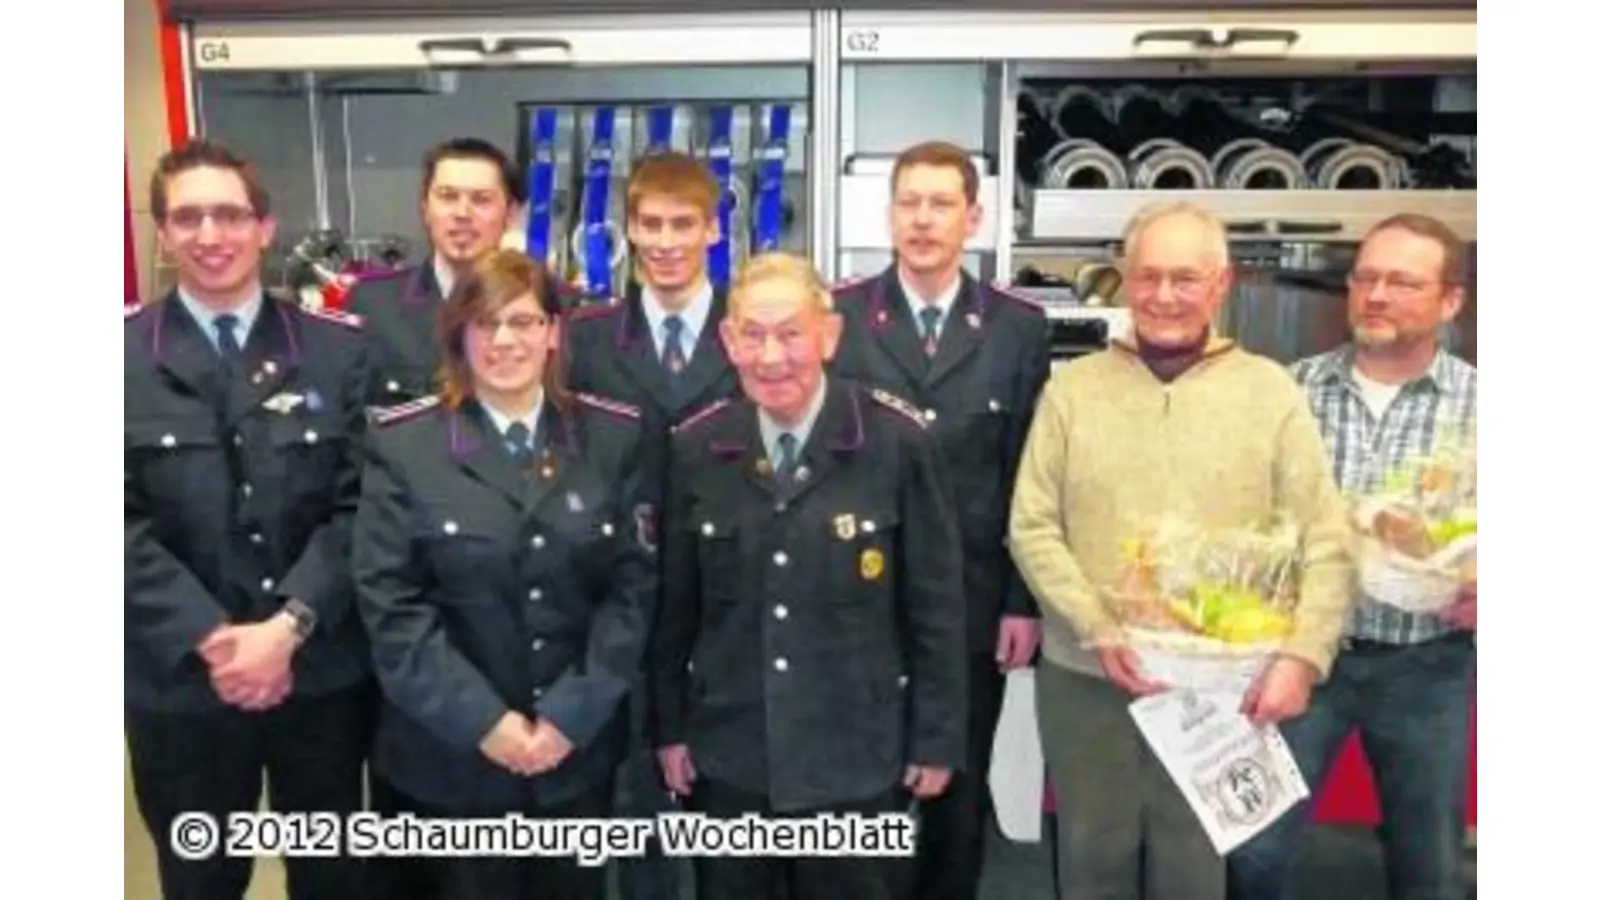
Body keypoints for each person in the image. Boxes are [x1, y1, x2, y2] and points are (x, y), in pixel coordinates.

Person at [1006, 201, 1355, 900]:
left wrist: (1302, 656)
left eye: (1185, 278)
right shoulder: (1073, 392)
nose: (1164, 296)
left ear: (1220, 284)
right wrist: (1096, 626)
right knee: (1089, 857)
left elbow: (1328, 537)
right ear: (1125, 280)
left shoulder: (1269, 393)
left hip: (1220, 692)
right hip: (1085, 679)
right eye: (1149, 276)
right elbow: (1031, 525)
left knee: (1194, 866)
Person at [652, 252, 968, 900]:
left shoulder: (899, 443)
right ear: (728, 341)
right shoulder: (695, 448)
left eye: (791, 333)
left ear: (828, 335)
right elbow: (674, 608)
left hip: (856, 753)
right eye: (753, 335)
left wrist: (936, 739)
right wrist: (670, 730)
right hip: (732, 750)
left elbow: (935, 607)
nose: (772, 357)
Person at [351, 248, 657, 900]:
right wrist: (488, 724)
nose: (506, 341)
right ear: (459, 335)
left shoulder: (613, 439)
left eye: (523, 322)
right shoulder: (405, 445)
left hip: (573, 757)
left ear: (553, 333)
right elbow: (392, 605)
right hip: (451, 759)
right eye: (485, 324)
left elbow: (633, 594)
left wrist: (569, 718)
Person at [124, 138, 373, 900]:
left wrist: (286, 628)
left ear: (265, 229)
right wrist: (218, 640)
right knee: (200, 879)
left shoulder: (337, 354)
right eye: (188, 217)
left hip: (319, 672)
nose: (210, 235)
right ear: (163, 234)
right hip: (182, 683)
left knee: (331, 878)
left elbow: (364, 505)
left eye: (230, 214)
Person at [1227, 214, 1477, 900]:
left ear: (1449, 301)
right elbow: (1245, 515)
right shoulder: (1288, 390)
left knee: (1427, 861)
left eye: (1403, 281)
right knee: (1256, 848)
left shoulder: (1485, 405)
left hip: (1428, 665)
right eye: (1365, 277)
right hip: (1300, 656)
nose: (1377, 295)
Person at [830, 139, 1051, 900]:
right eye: (909, 203)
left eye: (941, 204)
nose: (923, 221)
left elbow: (1029, 471)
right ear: (890, 214)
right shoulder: (842, 315)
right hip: (861, 596)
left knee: (957, 784)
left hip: (970, 599)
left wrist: (1022, 601)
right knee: (865, 779)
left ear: (974, 217)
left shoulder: (1019, 328)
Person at [564, 149, 742, 900]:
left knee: (729, 792)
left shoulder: (751, 327)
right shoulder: (585, 338)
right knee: (637, 787)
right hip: (621, 593)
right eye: (650, 225)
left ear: (713, 229)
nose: (666, 242)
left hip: (731, 588)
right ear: (627, 231)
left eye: (683, 224)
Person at [344, 138, 524, 406]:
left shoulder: (549, 306)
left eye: (481, 200)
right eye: (448, 197)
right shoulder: (374, 305)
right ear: (425, 208)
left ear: (510, 214)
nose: (463, 213)